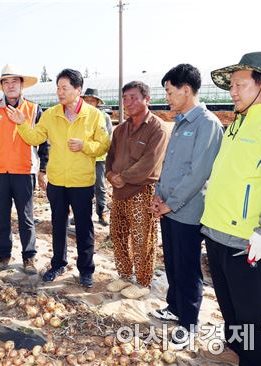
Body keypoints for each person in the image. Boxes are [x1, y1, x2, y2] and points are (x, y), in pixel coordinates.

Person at [199, 52, 261, 365]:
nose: (233, 91)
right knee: (231, 308)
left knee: (256, 319)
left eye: (240, 84)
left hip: (248, 242)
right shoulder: (239, 122)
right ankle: (237, 352)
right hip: (218, 232)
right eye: (232, 86)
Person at [8, 68, 110, 288]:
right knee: (58, 225)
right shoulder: (52, 114)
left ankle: (86, 269)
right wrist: (21, 122)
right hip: (57, 181)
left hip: (82, 181)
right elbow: (35, 137)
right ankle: (58, 264)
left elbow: (104, 145)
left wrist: (85, 146)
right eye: (58, 88)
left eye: (65, 88)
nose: (60, 92)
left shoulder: (94, 115)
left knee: (84, 227)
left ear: (78, 90)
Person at [148, 64, 224, 349]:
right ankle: (174, 306)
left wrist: (170, 203)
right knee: (173, 262)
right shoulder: (180, 122)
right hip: (168, 206)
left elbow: (198, 172)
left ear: (186, 90)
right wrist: (158, 196)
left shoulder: (207, 124)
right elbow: (168, 166)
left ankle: (189, 323)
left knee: (189, 266)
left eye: (170, 91)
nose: (167, 96)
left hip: (188, 211)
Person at [0, 64, 49, 274]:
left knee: (26, 217)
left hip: (24, 171)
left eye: (14, 82)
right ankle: (3, 255)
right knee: (2, 216)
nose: (10, 86)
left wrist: (43, 169)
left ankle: (29, 257)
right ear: (1, 86)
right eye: (6, 82)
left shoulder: (34, 109)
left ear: (22, 85)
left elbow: (43, 142)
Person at [105, 81, 168, 299]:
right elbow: (110, 157)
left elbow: (149, 163)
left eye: (133, 97)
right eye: (125, 98)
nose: (128, 102)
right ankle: (124, 275)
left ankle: (143, 281)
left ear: (146, 99)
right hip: (118, 191)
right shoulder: (121, 129)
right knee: (119, 234)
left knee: (143, 238)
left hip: (142, 191)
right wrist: (110, 175)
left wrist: (123, 177)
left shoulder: (157, 128)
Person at [80, 88, 113, 226]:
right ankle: (81, 214)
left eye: (92, 100)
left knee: (100, 186)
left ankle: (102, 212)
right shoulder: (79, 116)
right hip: (82, 157)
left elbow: (108, 137)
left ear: (97, 102)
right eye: (86, 100)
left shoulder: (104, 117)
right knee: (81, 186)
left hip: (99, 158)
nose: (89, 103)